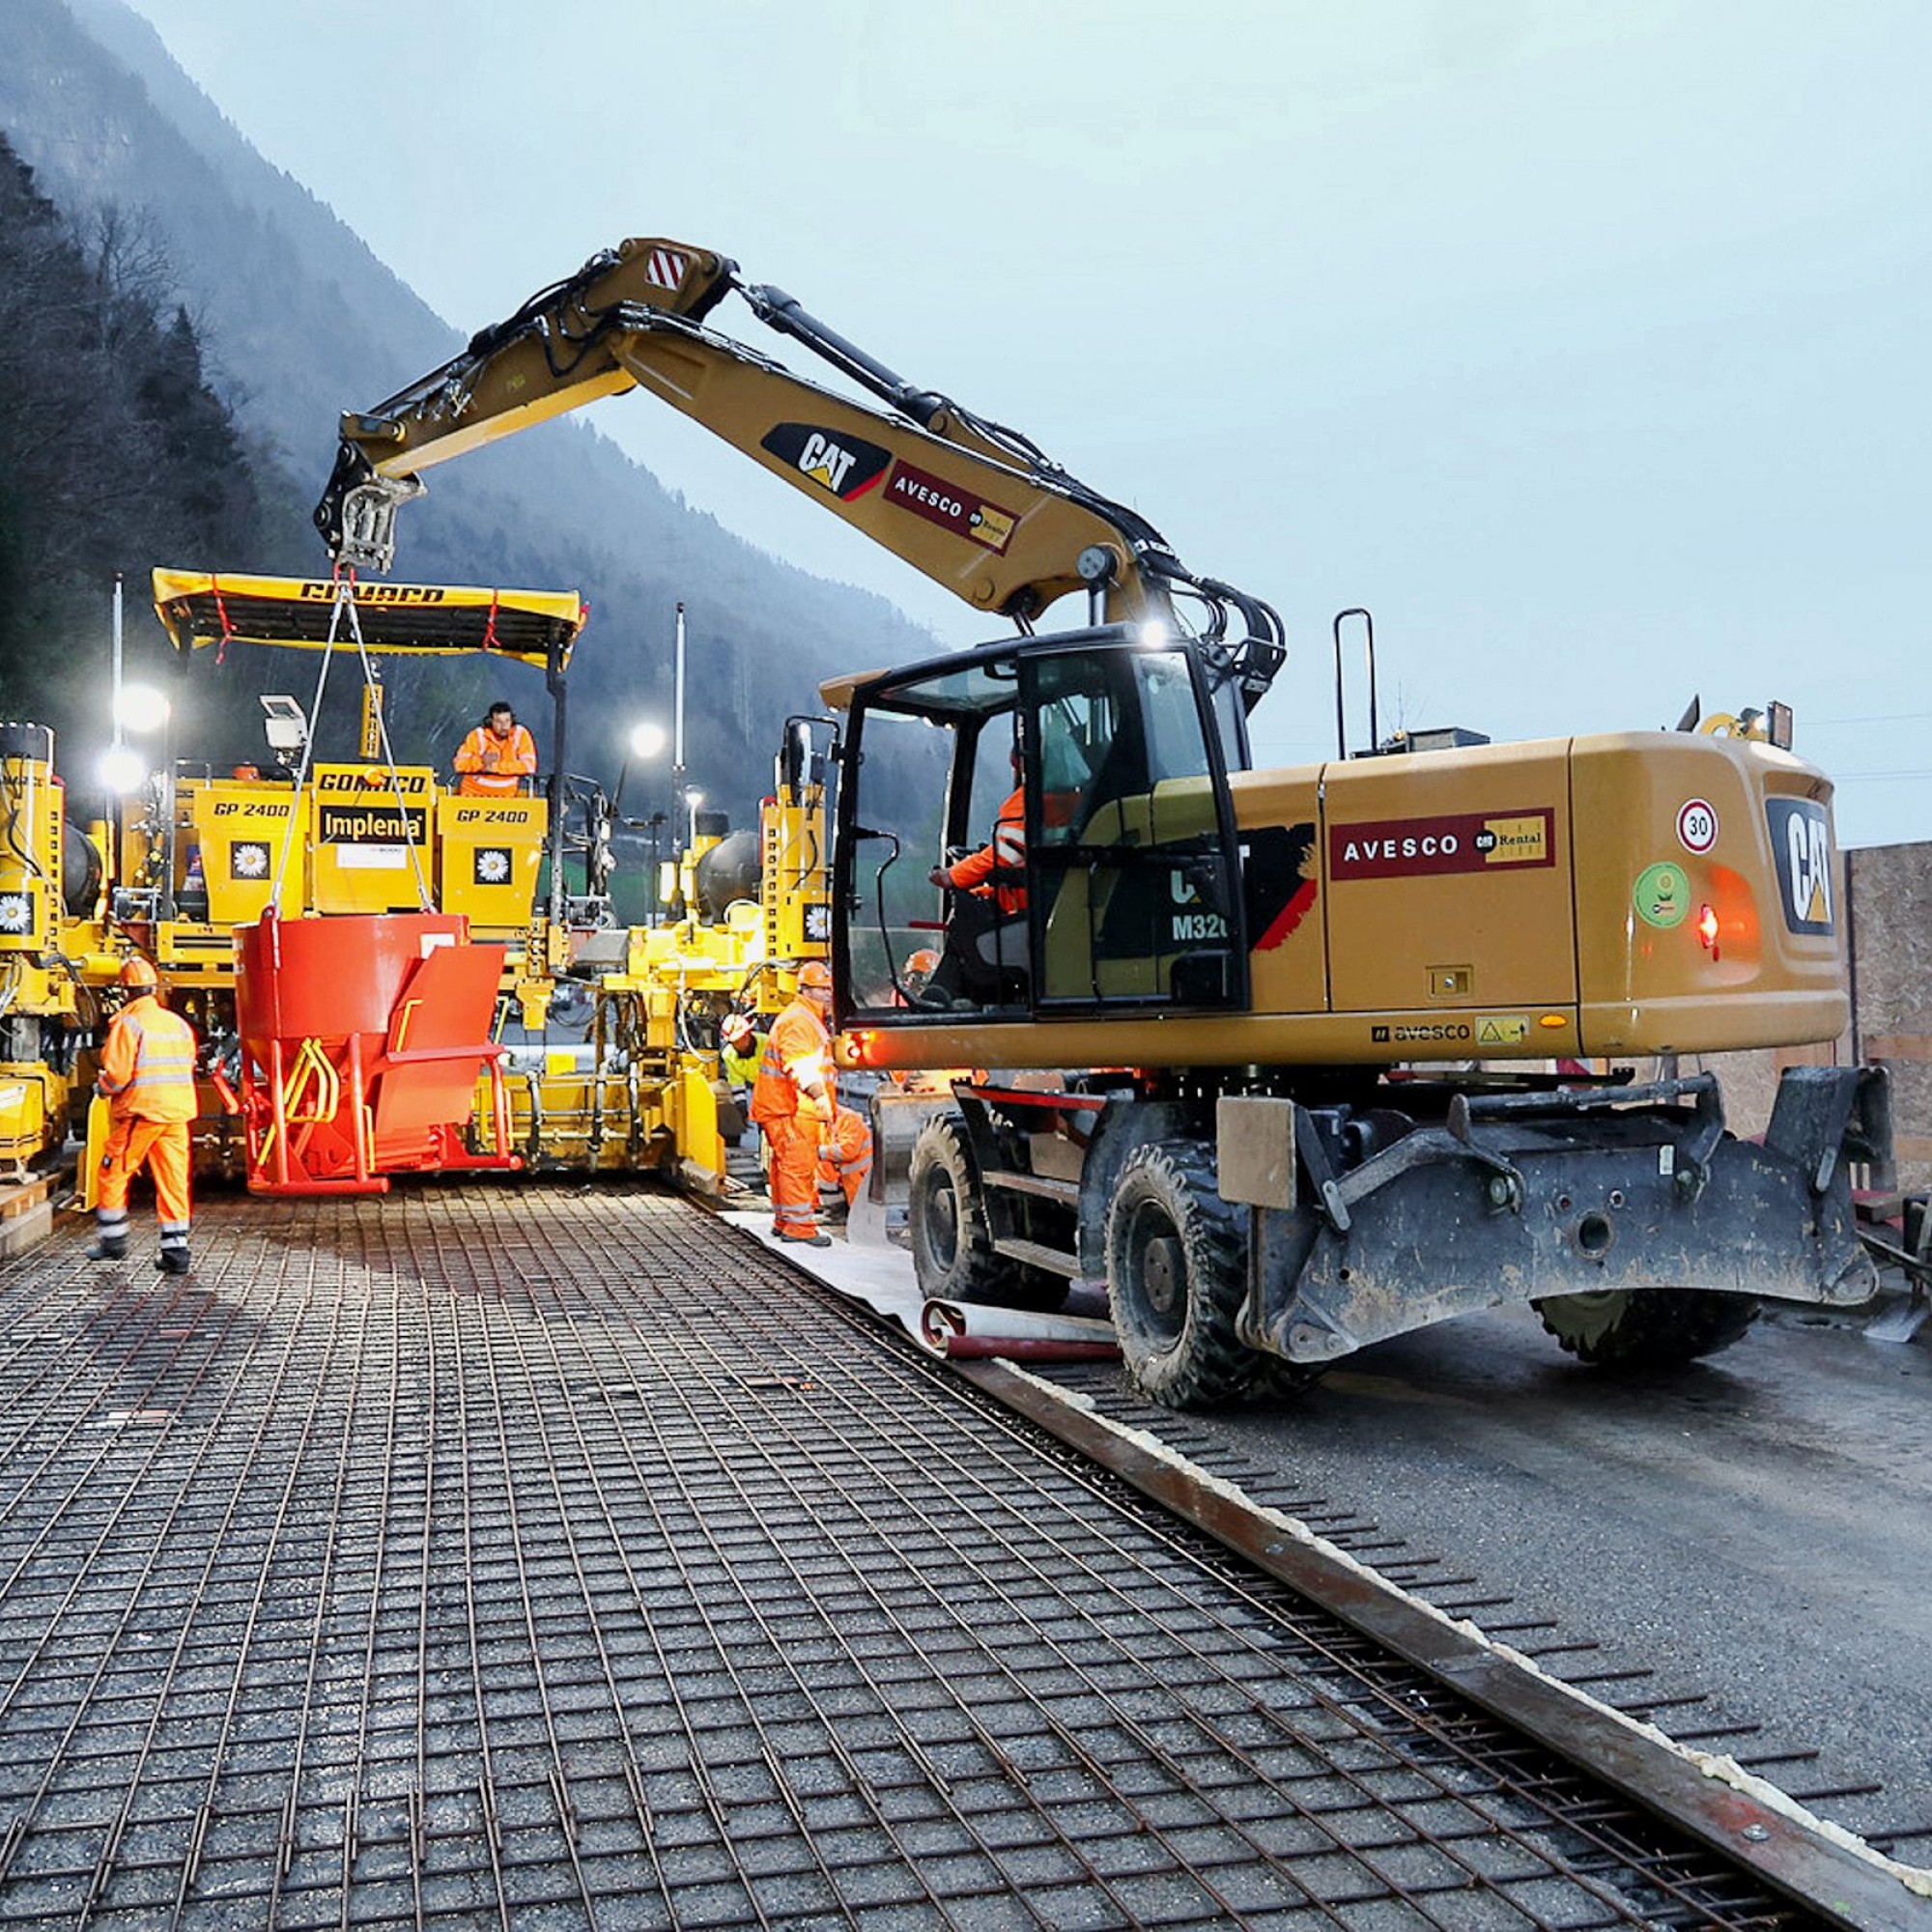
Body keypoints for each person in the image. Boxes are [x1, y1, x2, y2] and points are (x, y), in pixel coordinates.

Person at [89, 956, 199, 1274]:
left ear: (125, 992)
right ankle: (176, 1253)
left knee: (114, 1170)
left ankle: (113, 1241)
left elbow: (117, 1074)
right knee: (174, 1181)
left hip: (143, 1111)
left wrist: (103, 1087)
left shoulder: (128, 1023)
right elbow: (188, 1063)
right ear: (152, 988)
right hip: (176, 1113)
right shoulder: (177, 1023)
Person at [750, 962, 838, 1246]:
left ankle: (784, 1221)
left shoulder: (804, 1016)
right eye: (821, 989)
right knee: (797, 1166)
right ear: (805, 989)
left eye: (828, 989)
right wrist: (819, 1095)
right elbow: (799, 1064)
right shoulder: (800, 1020)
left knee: (784, 1165)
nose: (827, 994)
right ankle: (799, 1229)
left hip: (785, 1106)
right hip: (790, 1107)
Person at [453, 700, 538, 798]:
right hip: (473, 795)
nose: (504, 726)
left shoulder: (520, 734)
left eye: (507, 721)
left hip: (508, 799)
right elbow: (459, 765)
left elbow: (529, 766)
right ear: (490, 722)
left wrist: (495, 767)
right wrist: (481, 762)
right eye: (498, 721)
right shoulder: (478, 736)